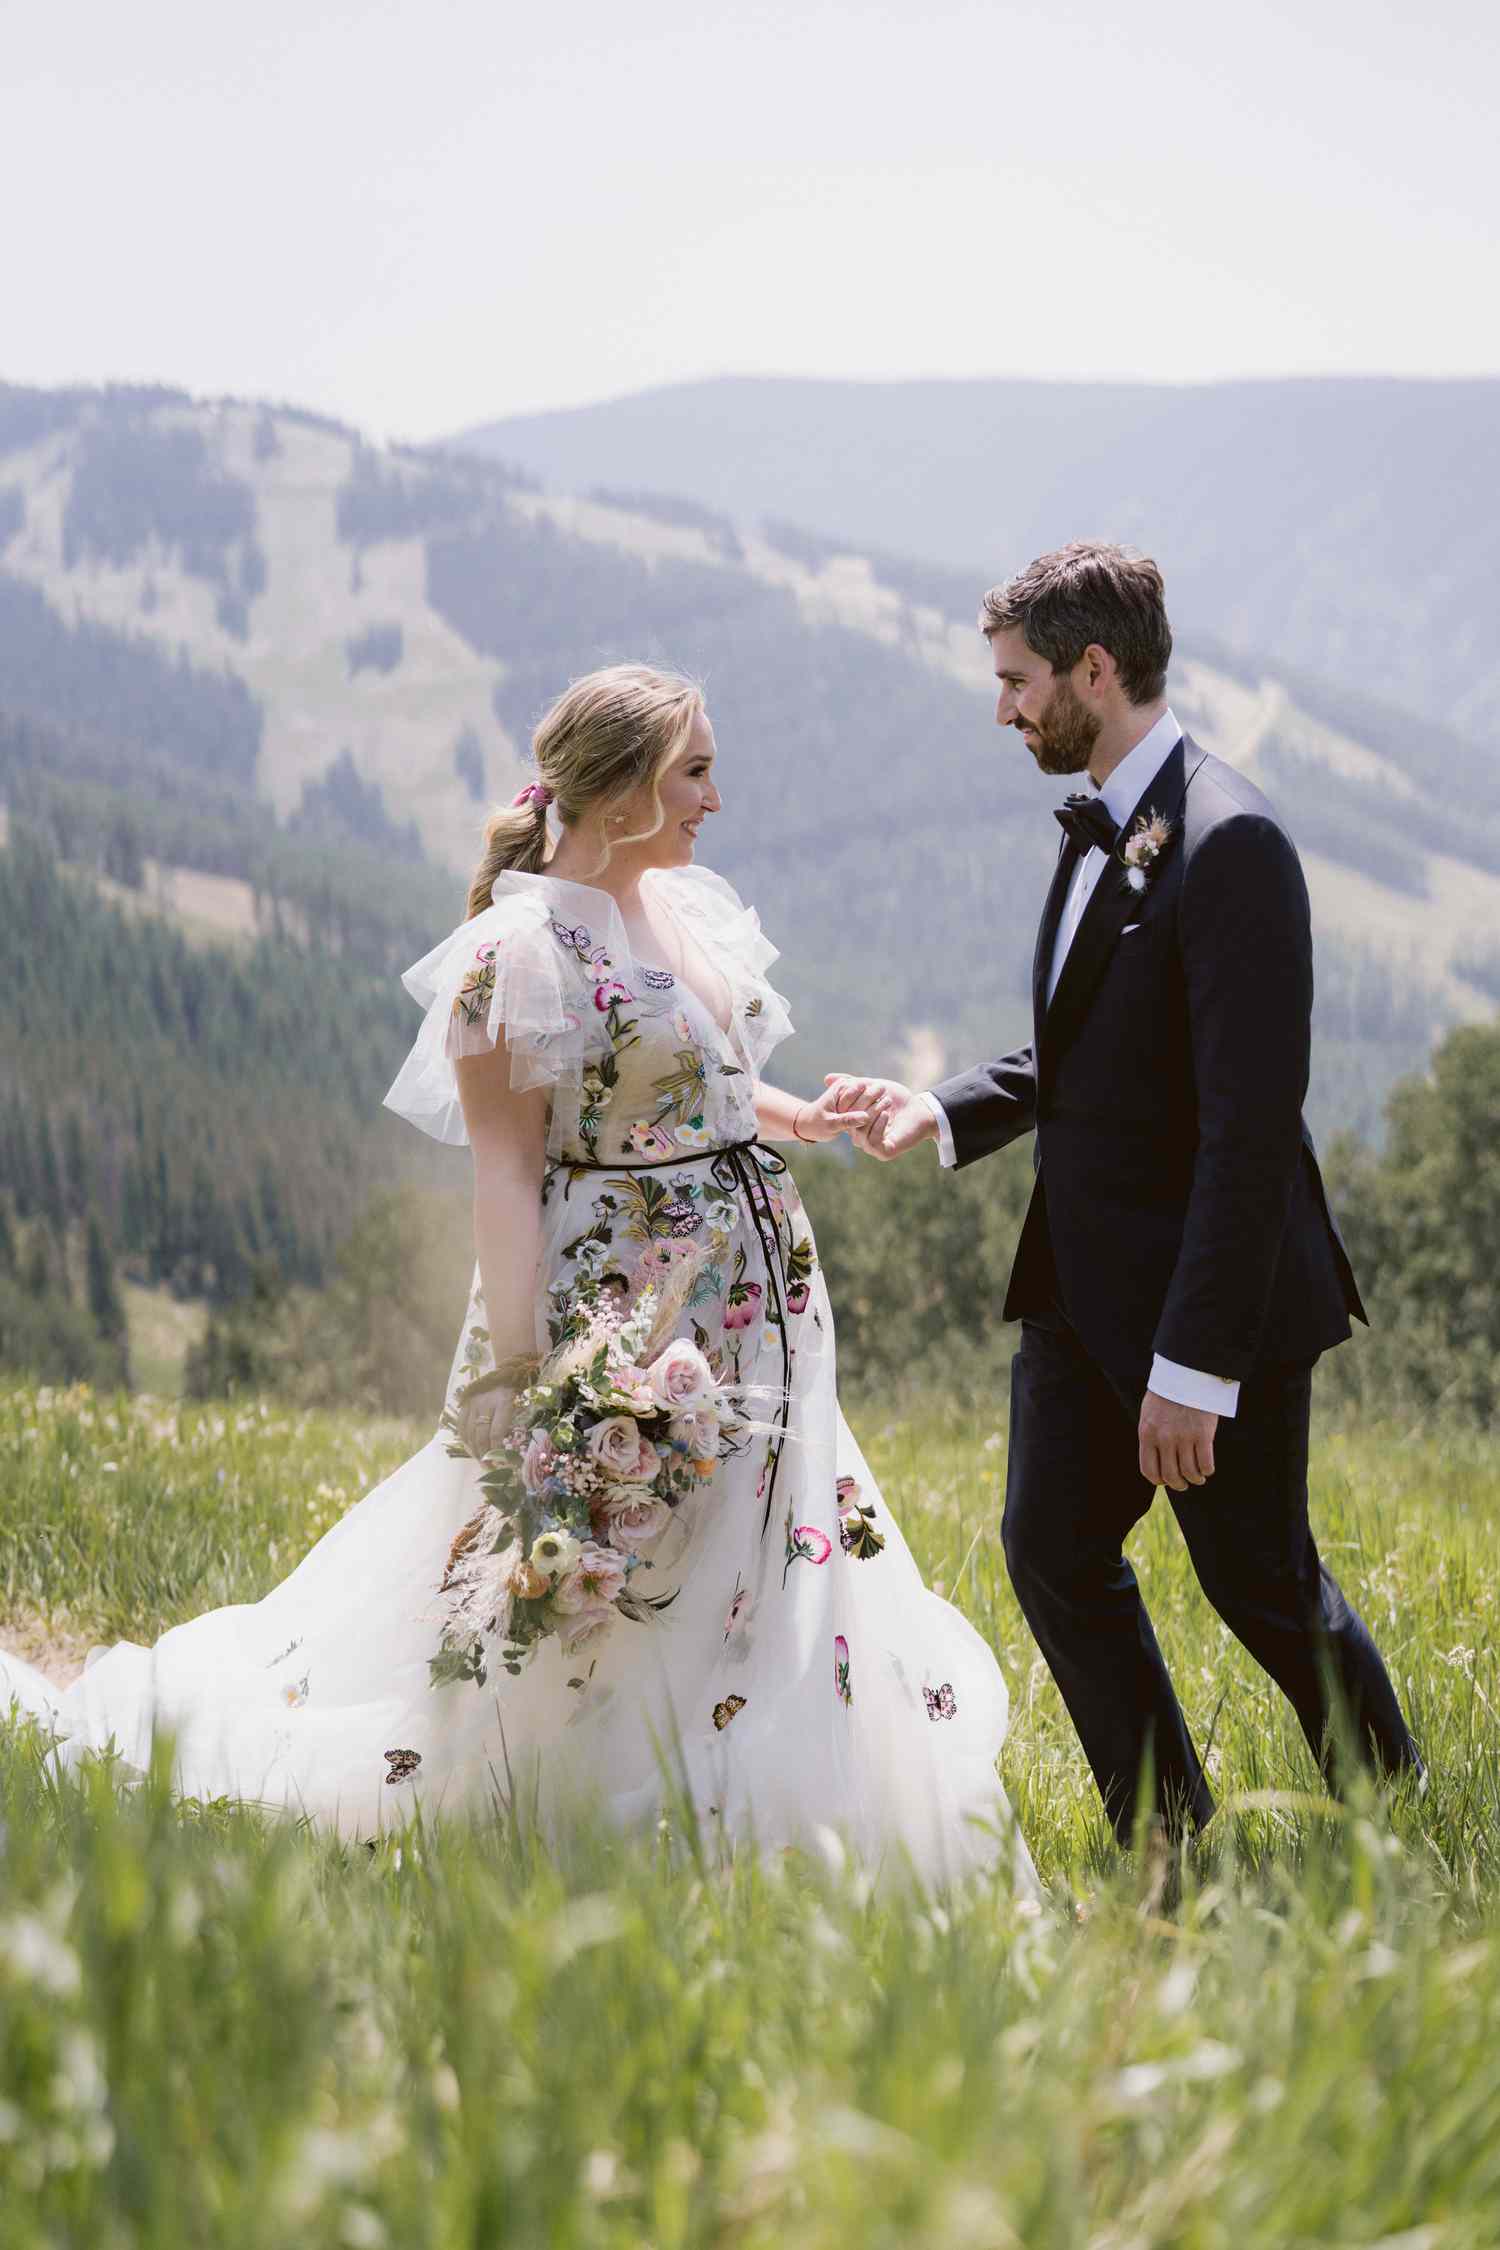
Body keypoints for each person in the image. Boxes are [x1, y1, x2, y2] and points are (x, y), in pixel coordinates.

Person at [1, 662, 1035, 1895]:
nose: (717, 796)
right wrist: (528, 1367)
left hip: (756, 1300)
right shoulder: (519, 951)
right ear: (620, 790)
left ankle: (771, 1764)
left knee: (757, 1534)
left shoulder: (680, 904)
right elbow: (505, 1168)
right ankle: (593, 1786)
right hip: (631, 1304)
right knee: (618, 1553)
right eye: (694, 771)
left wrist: (796, 1115)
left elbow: (691, 1072)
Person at [829, 543, 1422, 1844]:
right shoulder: (1111, 815)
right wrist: (941, 1107)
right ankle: (1172, 1841)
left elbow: (1249, 1133)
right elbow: (1091, 1045)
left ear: (1097, 668)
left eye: (1019, 680)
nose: (1004, 709)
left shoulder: (1235, 843)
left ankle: (1411, 1819)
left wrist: (1195, 1366)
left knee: (1261, 1582)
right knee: (1048, 1546)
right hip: (1080, 1291)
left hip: (1212, 1305)